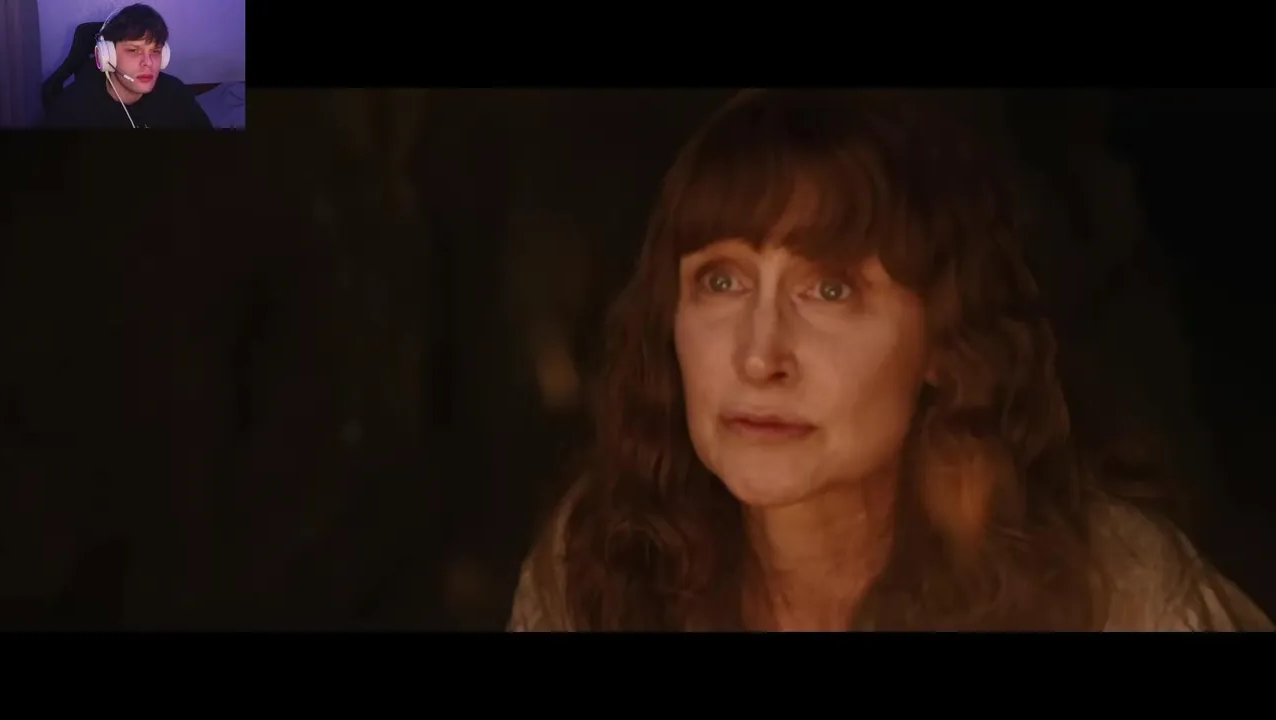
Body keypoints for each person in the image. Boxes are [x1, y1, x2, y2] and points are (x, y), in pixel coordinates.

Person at [507, 89, 1273, 632]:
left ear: (944, 340)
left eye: (829, 289)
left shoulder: (1115, 594)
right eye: (722, 281)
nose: (759, 355)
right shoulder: (602, 564)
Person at [43, 4, 212, 129]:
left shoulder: (176, 94)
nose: (148, 62)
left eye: (155, 51)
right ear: (107, 56)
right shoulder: (72, 109)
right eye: (133, 50)